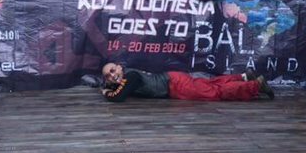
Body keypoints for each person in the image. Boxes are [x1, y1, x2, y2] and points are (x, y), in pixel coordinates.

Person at [100, 62, 274, 102]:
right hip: (174, 79)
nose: (112, 75)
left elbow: (118, 97)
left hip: (175, 85)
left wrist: (107, 92)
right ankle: (243, 77)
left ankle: (256, 85)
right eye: (108, 75)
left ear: (120, 67)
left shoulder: (130, 76)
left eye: (113, 70)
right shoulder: (128, 76)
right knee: (210, 84)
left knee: (215, 93)